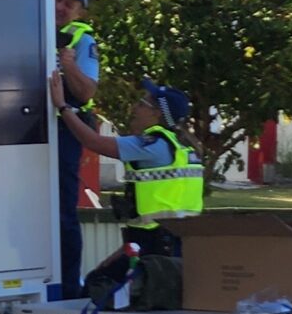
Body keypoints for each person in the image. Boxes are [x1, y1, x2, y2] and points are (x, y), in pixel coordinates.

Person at [48, 70, 204, 224]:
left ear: (156, 113)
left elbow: (93, 142)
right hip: (181, 233)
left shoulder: (153, 146)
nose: (134, 108)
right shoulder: (182, 146)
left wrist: (62, 106)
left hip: (153, 234)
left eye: (141, 104)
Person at [52, 0, 99, 294]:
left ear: (80, 12)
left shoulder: (82, 40)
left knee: (63, 210)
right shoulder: (30, 28)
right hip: (25, 129)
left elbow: (86, 92)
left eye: (70, 4)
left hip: (64, 130)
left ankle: (69, 289)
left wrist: (68, 65)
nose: (61, 7)